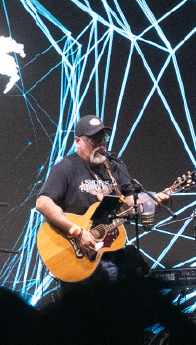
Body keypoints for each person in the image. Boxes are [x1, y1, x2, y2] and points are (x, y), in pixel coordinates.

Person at [35, 114, 138, 282]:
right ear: (78, 141)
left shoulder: (115, 167)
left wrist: (153, 201)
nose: (100, 144)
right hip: (76, 255)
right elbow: (43, 203)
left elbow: (131, 201)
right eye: (94, 139)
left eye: (102, 138)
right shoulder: (66, 167)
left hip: (108, 252)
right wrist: (77, 232)